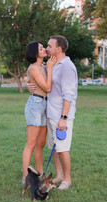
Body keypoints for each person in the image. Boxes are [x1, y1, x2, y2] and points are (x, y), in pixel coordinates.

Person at [28, 35, 78, 190]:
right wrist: (28, 84)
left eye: (49, 46)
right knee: (55, 147)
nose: (47, 49)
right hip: (51, 112)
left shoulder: (66, 66)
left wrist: (64, 117)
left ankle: (67, 179)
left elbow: (68, 94)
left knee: (63, 148)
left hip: (61, 115)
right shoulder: (53, 64)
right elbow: (37, 76)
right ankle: (59, 175)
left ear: (59, 49)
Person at [22, 41, 57, 185]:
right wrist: (49, 67)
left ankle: (40, 172)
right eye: (41, 48)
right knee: (31, 143)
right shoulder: (35, 68)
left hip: (44, 104)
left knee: (40, 143)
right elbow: (47, 88)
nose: (44, 49)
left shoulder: (41, 67)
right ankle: (26, 177)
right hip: (35, 105)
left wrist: (48, 67)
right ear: (35, 53)